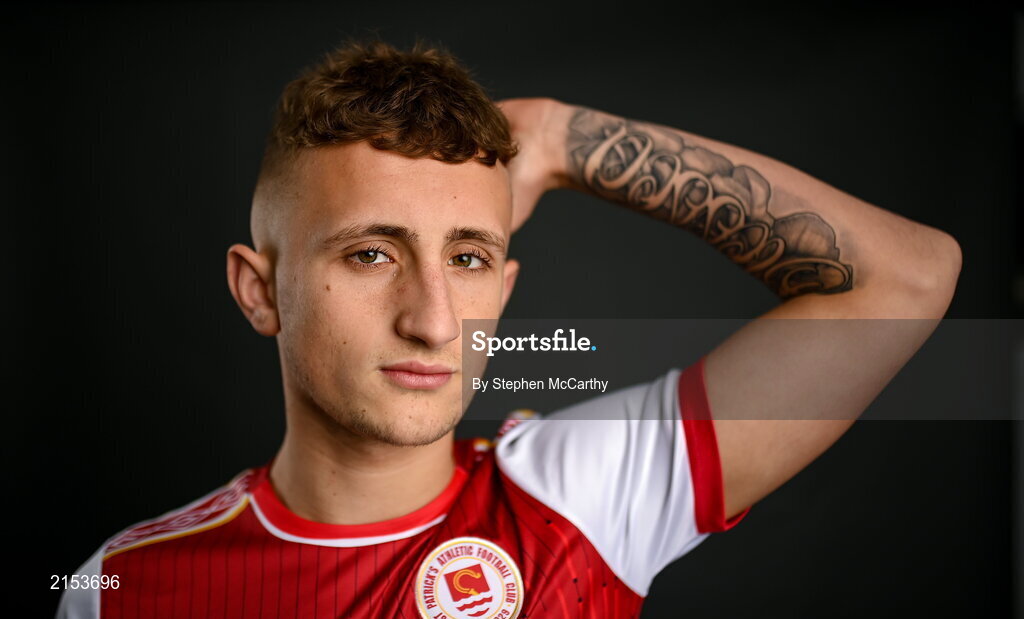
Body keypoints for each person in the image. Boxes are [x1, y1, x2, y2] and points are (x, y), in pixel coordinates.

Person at [56, 38, 961, 618]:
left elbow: (910, 275)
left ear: (507, 281)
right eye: (371, 254)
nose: (433, 320)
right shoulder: (118, 588)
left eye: (469, 256)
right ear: (260, 291)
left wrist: (561, 139)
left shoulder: (583, 497)